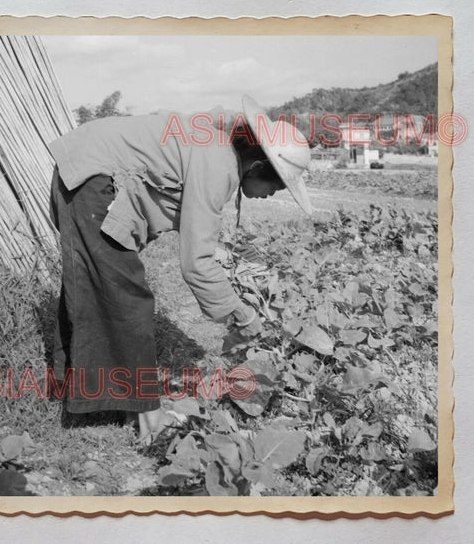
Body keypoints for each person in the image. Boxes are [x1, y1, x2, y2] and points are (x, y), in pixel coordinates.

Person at [48, 95, 312, 440]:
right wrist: (241, 315)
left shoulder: (217, 147)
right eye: (276, 186)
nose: (272, 195)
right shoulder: (217, 161)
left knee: (92, 287)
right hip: (92, 180)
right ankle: (147, 416)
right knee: (127, 300)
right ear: (258, 166)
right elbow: (196, 263)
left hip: (85, 171)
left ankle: (73, 394)